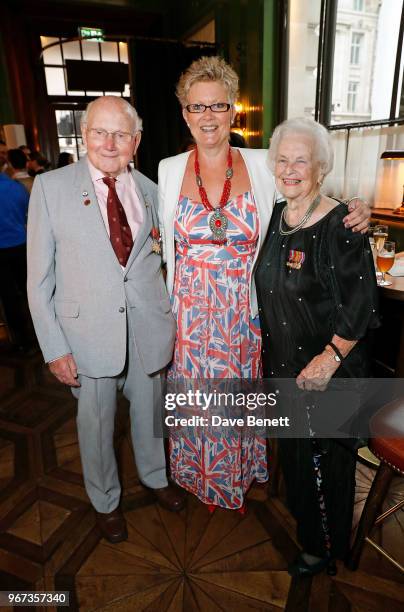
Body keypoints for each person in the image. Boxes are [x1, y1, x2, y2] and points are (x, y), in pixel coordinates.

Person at [158, 56, 370, 511]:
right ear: (184, 113)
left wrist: (356, 206)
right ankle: (200, 476)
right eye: (197, 107)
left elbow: (308, 191)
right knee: (196, 401)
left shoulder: (260, 165)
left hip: (244, 312)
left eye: (218, 105)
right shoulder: (169, 169)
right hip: (190, 317)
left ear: (233, 110)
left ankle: (235, 473)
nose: (208, 116)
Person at [27, 96, 185, 545]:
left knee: (152, 415)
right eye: (100, 132)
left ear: (136, 141)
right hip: (86, 336)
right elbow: (37, 280)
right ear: (84, 134)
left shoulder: (155, 192)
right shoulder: (50, 188)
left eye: (121, 134)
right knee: (95, 427)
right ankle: (105, 501)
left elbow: (166, 263)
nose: (110, 143)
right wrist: (54, 347)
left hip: (149, 329)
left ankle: (155, 477)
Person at [255, 117, 379, 576]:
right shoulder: (276, 217)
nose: (290, 169)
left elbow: (361, 305)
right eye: (282, 159)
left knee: (328, 465)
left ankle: (326, 549)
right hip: (285, 365)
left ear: (320, 167)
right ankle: (311, 530)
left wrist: (329, 360)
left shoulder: (343, 223)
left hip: (329, 373)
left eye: (301, 160)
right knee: (297, 457)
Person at [0, 170, 31, 349]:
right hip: (20, 244)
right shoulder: (16, 187)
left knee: (8, 296)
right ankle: (42, 331)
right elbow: (26, 212)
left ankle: (21, 339)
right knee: (29, 289)